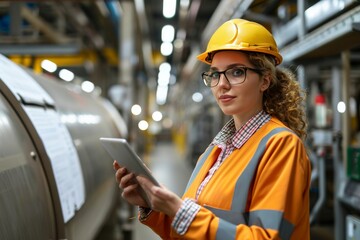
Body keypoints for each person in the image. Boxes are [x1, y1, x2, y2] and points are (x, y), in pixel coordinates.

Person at [114, 18, 310, 240]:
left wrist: (180, 210)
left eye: (236, 72)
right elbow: (192, 231)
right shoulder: (216, 151)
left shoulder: (281, 145)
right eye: (215, 74)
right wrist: (154, 205)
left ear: (265, 80)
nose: (222, 84)